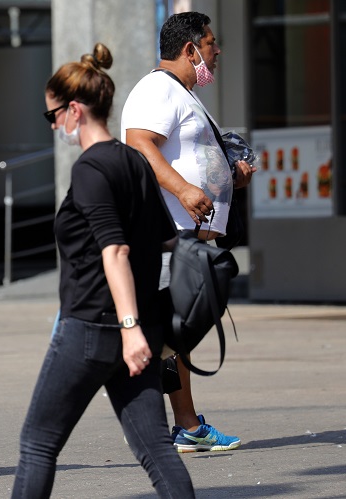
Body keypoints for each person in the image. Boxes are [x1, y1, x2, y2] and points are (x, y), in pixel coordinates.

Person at [12, 44, 194, 498]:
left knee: (37, 443)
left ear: (74, 110)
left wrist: (129, 328)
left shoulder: (91, 167)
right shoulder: (134, 161)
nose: (54, 125)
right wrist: (142, 328)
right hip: (139, 328)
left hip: (94, 327)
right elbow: (165, 240)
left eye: (51, 115)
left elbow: (115, 250)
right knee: (156, 447)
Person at [122, 11, 254, 452]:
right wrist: (182, 187)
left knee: (175, 333)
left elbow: (187, 152)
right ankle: (172, 425)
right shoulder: (157, 89)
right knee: (165, 332)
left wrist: (227, 176)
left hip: (189, 237)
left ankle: (186, 425)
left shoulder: (182, 94)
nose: (217, 53)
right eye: (212, 44)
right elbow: (139, 142)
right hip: (169, 236)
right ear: (189, 48)